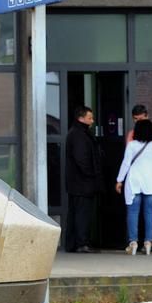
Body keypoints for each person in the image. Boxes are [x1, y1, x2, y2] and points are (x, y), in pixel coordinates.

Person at [116, 118, 152, 255]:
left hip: (134, 182)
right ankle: (148, 242)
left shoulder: (132, 145)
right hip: (150, 183)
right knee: (149, 213)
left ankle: (133, 242)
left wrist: (119, 181)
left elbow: (126, 164)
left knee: (133, 212)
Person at [64, 106, 100, 253]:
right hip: (82, 183)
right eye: (89, 118)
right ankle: (81, 243)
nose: (92, 121)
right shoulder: (79, 135)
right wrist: (92, 174)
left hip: (77, 183)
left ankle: (74, 243)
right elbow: (82, 159)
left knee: (76, 213)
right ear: (81, 118)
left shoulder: (76, 133)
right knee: (82, 213)